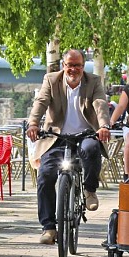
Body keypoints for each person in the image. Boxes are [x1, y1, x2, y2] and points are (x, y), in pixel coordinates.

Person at [26, 49, 111, 245]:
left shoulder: (93, 81)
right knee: (45, 175)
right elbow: (41, 102)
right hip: (56, 138)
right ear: (64, 66)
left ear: (83, 66)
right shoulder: (51, 80)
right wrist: (33, 124)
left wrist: (104, 126)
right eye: (69, 65)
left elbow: (100, 104)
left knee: (91, 149)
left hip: (85, 134)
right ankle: (48, 227)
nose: (73, 69)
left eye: (78, 65)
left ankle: (89, 190)